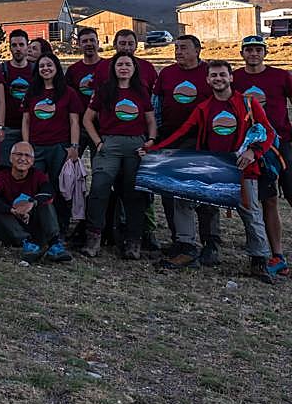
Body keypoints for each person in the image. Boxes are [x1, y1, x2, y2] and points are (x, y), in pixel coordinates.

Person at [148, 60, 275, 282]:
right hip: (212, 165)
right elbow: (183, 132)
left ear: (231, 77)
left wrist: (253, 153)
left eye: (222, 75)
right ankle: (187, 248)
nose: (218, 79)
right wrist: (154, 149)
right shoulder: (204, 107)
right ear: (207, 80)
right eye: (214, 76)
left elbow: (267, 132)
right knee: (183, 199)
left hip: (241, 166)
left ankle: (259, 260)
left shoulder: (248, 103)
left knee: (250, 212)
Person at [81, 53, 156, 259]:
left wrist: (150, 141)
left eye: (128, 64)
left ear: (134, 68)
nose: (123, 67)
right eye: (119, 64)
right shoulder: (104, 91)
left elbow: (150, 121)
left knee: (134, 194)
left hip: (135, 145)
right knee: (99, 188)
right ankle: (93, 237)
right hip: (109, 143)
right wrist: (98, 142)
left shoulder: (141, 91)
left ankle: (133, 242)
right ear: (113, 68)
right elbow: (87, 119)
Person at [233, 34, 292, 276]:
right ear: (242, 54)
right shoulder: (235, 78)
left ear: (265, 52)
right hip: (254, 148)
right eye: (249, 50)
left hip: (283, 143)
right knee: (268, 200)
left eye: (258, 49)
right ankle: (276, 255)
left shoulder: (280, 76)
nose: (253, 53)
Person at [152, 34, 214, 256]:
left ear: (197, 50)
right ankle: (180, 240)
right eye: (176, 47)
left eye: (184, 48)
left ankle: (210, 243)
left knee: (205, 192)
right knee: (170, 191)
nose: (178, 51)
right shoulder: (167, 74)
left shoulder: (209, 72)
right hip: (171, 138)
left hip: (203, 140)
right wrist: (156, 135)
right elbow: (156, 104)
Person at [21, 52, 81, 233]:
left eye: (49, 65)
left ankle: (61, 226)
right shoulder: (31, 92)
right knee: (34, 185)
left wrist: (74, 146)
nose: (45, 69)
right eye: (41, 66)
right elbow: (26, 121)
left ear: (56, 68)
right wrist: (26, 145)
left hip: (59, 147)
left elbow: (74, 122)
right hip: (36, 147)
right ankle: (36, 225)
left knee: (59, 188)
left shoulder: (68, 92)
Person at [0, 142, 72, 262]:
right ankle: (28, 246)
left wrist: (31, 203)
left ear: (33, 160)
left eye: (27, 156)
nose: (23, 159)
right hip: (12, 229)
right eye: (18, 154)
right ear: (10, 158)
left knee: (45, 202)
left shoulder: (38, 175)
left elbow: (49, 192)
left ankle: (54, 245)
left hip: (33, 224)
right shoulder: (1, 176)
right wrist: (13, 211)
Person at [66, 26, 111, 155]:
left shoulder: (109, 66)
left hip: (101, 127)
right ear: (79, 44)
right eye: (85, 41)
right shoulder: (72, 70)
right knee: (71, 165)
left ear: (98, 42)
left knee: (99, 165)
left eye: (92, 40)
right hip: (78, 127)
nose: (89, 44)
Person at [0, 30, 34, 164]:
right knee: (5, 166)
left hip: (31, 128)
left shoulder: (36, 70)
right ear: (10, 48)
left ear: (27, 46)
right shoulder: (2, 69)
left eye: (21, 44)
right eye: (14, 45)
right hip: (8, 128)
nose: (18, 48)